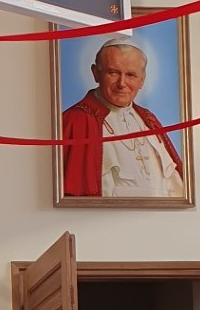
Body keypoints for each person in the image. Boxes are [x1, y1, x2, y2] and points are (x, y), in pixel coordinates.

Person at [61, 39, 183, 199]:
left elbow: (175, 183)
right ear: (96, 73)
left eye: (131, 75)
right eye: (113, 73)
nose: (122, 83)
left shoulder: (148, 120)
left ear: (142, 80)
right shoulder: (76, 120)